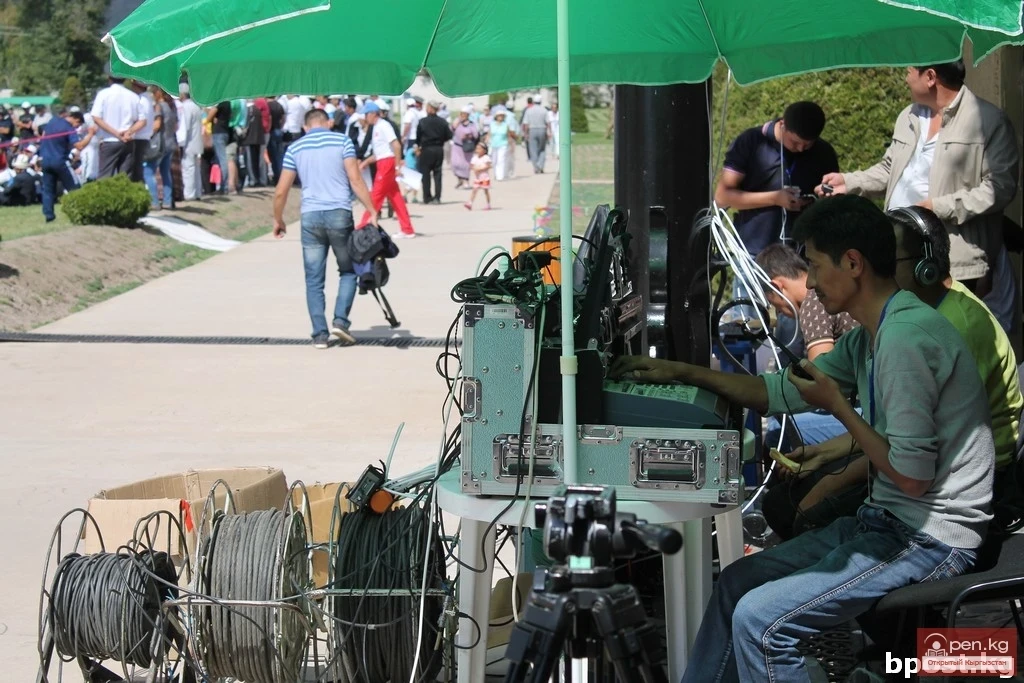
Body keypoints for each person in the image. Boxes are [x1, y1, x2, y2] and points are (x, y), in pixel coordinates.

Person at [611, 194, 995, 683]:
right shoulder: (871, 334)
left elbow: (912, 478)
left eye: (814, 265)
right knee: (736, 582)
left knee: (762, 623)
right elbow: (775, 391)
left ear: (852, 263)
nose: (809, 283)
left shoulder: (905, 340)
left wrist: (839, 407)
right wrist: (679, 372)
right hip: (886, 520)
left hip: (929, 537)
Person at [775, 205, 1023, 539]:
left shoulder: (946, 326)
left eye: (890, 259)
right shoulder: (911, 317)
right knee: (785, 499)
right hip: (920, 460)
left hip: (967, 483)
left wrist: (832, 479)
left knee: (804, 512)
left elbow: (920, 451)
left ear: (926, 268)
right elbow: (901, 428)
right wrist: (825, 453)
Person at [818, 60, 1020, 332]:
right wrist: (849, 182)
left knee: (947, 334)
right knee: (902, 328)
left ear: (930, 77)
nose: (905, 79)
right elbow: (890, 169)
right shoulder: (908, 116)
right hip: (899, 253)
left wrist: (938, 207)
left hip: (954, 259)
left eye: (909, 71)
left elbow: (1000, 187)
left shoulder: (988, 121)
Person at [272, 108, 377, 349]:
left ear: (305, 127)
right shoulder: (342, 141)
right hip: (339, 213)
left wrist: (278, 219)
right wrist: (371, 210)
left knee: (313, 279)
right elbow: (355, 179)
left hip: (310, 217)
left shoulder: (295, 148)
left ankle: (320, 335)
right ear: (328, 123)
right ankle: (340, 321)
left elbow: (281, 191)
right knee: (348, 271)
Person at [716, 101, 839, 257]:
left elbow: (832, 198)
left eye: (808, 145)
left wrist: (823, 195)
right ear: (782, 124)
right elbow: (722, 197)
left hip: (803, 254)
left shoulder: (824, 152)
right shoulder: (751, 142)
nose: (801, 149)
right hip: (755, 254)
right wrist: (775, 198)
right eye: (795, 142)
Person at [357, 101, 415, 239]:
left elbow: (396, 146)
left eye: (366, 114)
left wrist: (397, 166)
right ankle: (407, 229)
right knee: (396, 198)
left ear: (373, 114)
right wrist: (365, 162)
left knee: (376, 196)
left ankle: (362, 226)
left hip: (387, 164)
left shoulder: (384, 125)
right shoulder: (376, 127)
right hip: (383, 162)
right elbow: (380, 152)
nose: (365, 117)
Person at [38, 109, 94, 222]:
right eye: (78, 124)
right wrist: (90, 134)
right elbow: (79, 146)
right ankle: (81, 211)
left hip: (45, 160)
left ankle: (49, 215)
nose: (77, 127)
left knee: (48, 189)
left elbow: (43, 135)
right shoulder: (69, 128)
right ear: (76, 119)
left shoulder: (53, 121)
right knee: (74, 187)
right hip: (60, 161)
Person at [91, 73, 146, 179]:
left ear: (109, 78)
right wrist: (129, 131)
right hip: (127, 140)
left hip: (109, 139)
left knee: (105, 176)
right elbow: (142, 121)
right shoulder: (133, 96)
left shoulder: (103, 94)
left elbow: (96, 117)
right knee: (124, 177)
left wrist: (116, 133)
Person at [415, 100, 452, 204]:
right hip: (438, 149)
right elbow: (449, 135)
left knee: (425, 174)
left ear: (430, 108)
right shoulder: (443, 122)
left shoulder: (422, 121)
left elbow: (418, 137)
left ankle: (427, 197)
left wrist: (418, 146)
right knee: (438, 174)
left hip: (426, 149)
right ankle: (437, 197)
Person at [178, 84, 205, 201]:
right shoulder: (196, 106)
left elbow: (186, 126)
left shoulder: (186, 107)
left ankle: (189, 194)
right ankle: (197, 192)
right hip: (197, 141)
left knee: (188, 168)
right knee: (196, 169)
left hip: (189, 142)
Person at [451, 107, 478, 190]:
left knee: (465, 165)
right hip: (457, 146)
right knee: (455, 164)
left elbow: (476, 134)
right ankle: (460, 179)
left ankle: (466, 182)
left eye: (464, 114)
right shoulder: (457, 122)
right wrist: (456, 123)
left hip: (467, 147)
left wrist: (469, 136)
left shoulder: (471, 124)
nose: (462, 116)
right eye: (461, 114)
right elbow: (451, 129)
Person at [486, 108, 516, 181]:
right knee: (494, 160)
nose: (501, 117)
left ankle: (500, 176)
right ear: (496, 116)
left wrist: (511, 146)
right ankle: (495, 174)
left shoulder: (505, 125)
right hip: (493, 144)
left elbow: (508, 136)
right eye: (499, 116)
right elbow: (489, 134)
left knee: (501, 160)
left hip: (503, 144)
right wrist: (487, 140)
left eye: (502, 116)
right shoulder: (492, 124)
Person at [521, 97, 549, 174]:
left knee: (533, 149)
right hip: (542, 129)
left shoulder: (529, 110)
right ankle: (540, 165)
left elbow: (526, 123)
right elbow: (548, 122)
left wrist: (525, 133)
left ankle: (536, 166)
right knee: (542, 149)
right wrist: (549, 131)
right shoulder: (544, 110)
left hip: (532, 130)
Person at [464, 143, 492, 211]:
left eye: (479, 149)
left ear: (484, 150)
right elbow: (471, 165)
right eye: (477, 149)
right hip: (477, 178)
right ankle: (470, 203)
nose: (478, 150)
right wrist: (473, 168)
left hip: (484, 178)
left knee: (486, 191)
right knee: (474, 190)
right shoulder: (474, 158)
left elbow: (488, 166)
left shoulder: (486, 157)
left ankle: (488, 204)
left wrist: (480, 169)